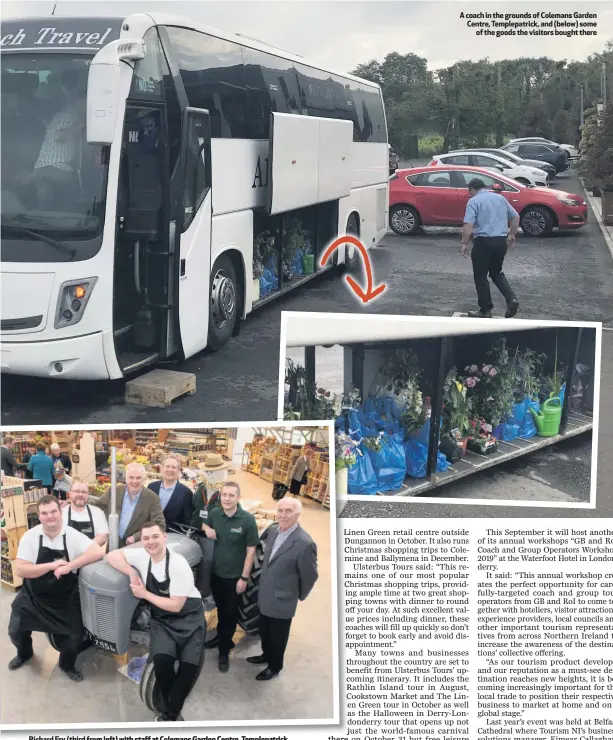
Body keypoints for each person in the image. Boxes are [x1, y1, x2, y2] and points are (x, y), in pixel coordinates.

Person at [106, 521, 205, 722]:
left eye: (155, 536)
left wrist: (143, 594)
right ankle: (170, 702)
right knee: (161, 662)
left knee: (188, 668)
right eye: (146, 538)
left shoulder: (178, 563)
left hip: (188, 617)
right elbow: (111, 555)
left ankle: (171, 715)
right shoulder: (143, 556)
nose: (151, 542)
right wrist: (131, 572)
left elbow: (176, 605)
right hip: (163, 620)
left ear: (164, 537)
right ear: (142, 541)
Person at [8, 495, 105, 681]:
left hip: (63, 599)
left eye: (53, 511)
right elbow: (21, 569)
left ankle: (66, 664)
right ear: (39, 515)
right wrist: (51, 566)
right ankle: (24, 653)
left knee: (74, 638)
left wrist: (69, 565)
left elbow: (98, 551)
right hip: (33, 597)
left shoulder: (72, 535)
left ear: (60, 512)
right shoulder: (30, 536)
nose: (50, 516)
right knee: (16, 630)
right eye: (44, 513)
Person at [247, 497, 318, 681]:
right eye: (281, 511)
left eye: (289, 511)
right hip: (265, 595)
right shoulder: (272, 530)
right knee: (265, 631)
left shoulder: (304, 543)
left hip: (283, 600)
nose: (283, 515)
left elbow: (310, 575)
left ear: (298, 514)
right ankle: (265, 655)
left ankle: (274, 666)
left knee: (278, 637)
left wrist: (297, 595)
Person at [201, 482, 259, 673]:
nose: (226, 498)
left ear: (238, 498)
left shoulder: (247, 520)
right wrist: (206, 528)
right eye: (224, 495)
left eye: (231, 495)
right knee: (219, 608)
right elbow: (202, 522)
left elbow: (251, 552)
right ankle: (220, 637)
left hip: (235, 578)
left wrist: (243, 578)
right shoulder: (215, 513)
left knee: (229, 614)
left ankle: (224, 650)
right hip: (216, 574)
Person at [17, 69, 86, 211]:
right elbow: (60, 136)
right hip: (54, 168)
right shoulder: (68, 116)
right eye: (85, 101)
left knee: (46, 206)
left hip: (43, 170)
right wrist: (84, 122)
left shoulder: (67, 115)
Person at [460, 178, 520, 319]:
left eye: (470, 192)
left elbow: (468, 224)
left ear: (472, 189)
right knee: (496, 272)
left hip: (483, 242)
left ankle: (485, 310)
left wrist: (464, 243)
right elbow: (515, 217)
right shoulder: (500, 198)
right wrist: (511, 234)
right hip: (500, 241)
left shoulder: (474, 201)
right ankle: (512, 299)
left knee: (480, 276)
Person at [89, 462, 165, 547]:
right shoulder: (115, 491)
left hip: (136, 547)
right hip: (113, 544)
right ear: (126, 478)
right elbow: (98, 505)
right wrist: (82, 499)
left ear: (144, 479)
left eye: (138, 478)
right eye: (131, 477)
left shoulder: (152, 498)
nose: (134, 481)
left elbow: (159, 524)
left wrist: (136, 537)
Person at [148, 456, 193, 531]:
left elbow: (186, 522)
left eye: (174, 467)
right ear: (162, 468)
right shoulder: (151, 487)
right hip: (151, 535)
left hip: (172, 538)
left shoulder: (186, 493)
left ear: (178, 471)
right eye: (167, 466)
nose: (170, 470)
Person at [62, 479, 109, 546]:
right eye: (77, 491)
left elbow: (103, 536)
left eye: (84, 492)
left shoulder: (97, 512)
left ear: (88, 495)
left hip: (91, 553)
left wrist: (85, 548)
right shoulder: (61, 513)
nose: (80, 494)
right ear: (69, 494)